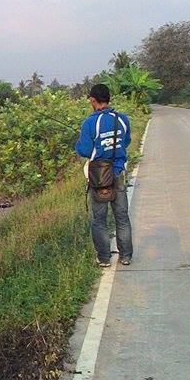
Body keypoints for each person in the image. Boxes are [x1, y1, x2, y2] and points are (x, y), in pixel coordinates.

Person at [75, 83, 133, 267]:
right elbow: (127, 141)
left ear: (93, 100)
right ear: (109, 99)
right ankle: (126, 256)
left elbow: (84, 150)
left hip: (99, 177)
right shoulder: (122, 119)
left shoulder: (90, 123)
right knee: (122, 217)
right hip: (118, 172)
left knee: (99, 220)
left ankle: (104, 258)